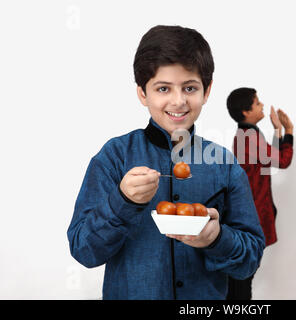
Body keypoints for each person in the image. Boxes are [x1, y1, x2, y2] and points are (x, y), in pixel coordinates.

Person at [67, 25, 265, 300]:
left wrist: (217, 239)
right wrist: (122, 201)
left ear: (206, 92)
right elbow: (84, 251)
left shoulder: (225, 164)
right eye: (163, 88)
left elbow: (250, 260)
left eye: (190, 88)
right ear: (142, 94)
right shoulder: (113, 157)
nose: (179, 100)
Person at [226, 87, 294, 299]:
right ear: (246, 111)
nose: (262, 105)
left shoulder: (247, 134)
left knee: (242, 275)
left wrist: (278, 132)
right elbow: (281, 160)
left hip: (247, 212)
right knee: (243, 276)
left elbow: (269, 160)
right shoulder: (249, 136)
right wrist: (288, 130)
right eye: (257, 103)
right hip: (251, 214)